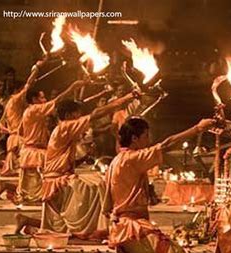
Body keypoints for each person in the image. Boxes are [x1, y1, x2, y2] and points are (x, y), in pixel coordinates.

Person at [81, 116, 216, 253]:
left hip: (125, 224)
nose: (149, 140)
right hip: (131, 228)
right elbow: (167, 144)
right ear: (135, 139)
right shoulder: (131, 158)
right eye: (145, 136)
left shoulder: (119, 159)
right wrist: (197, 128)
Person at [15, 89, 140, 237]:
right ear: (68, 116)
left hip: (60, 177)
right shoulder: (65, 127)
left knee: (96, 184)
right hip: (57, 180)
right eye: (77, 115)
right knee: (97, 186)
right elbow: (97, 114)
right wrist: (127, 97)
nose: (79, 118)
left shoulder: (63, 129)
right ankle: (93, 230)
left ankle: (26, 220)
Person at [15, 79, 86, 204]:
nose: (44, 100)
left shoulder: (30, 112)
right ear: (34, 100)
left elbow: (20, 131)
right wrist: (72, 87)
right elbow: (57, 102)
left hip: (34, 149)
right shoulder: (34, 110)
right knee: (37, 195)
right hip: (34, 152)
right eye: (42, 98)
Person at [0, 58, 47, 176]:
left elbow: (1, 124)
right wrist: (37, 68)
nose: (23, 94)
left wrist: (10, 131)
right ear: (17, 91)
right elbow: (29, 84)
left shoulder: (8, 103)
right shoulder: (15, 99)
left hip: (13, 136)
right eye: (21, 91)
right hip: (18, 138)